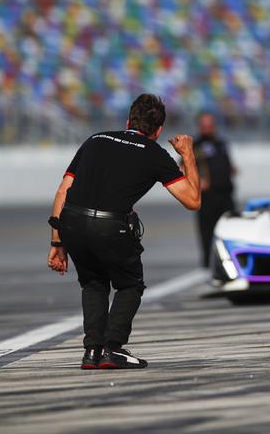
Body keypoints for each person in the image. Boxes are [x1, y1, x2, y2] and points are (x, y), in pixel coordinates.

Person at [46, 94, 201, 369]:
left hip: (71, 222)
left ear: (128, 120)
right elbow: (193, 201)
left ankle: (92, 351)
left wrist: (57, 241)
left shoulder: (95, 139)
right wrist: (188, 154)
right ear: (159, 130)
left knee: (93, 282)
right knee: (130, 284)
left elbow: (63, 190)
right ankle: (112, 347)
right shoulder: (154, 153)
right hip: (109, 225)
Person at [192, 111, 236, 267]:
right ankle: (207, 261)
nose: (207, 128)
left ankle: (230, 259)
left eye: (210, 125)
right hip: (207, 196)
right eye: (204, 125)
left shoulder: (221, 143)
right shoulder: (195, 145)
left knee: (229, 228)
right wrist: (198, 181)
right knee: (207, 230)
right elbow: (183, 166)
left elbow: (226, 163)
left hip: (225, 193)